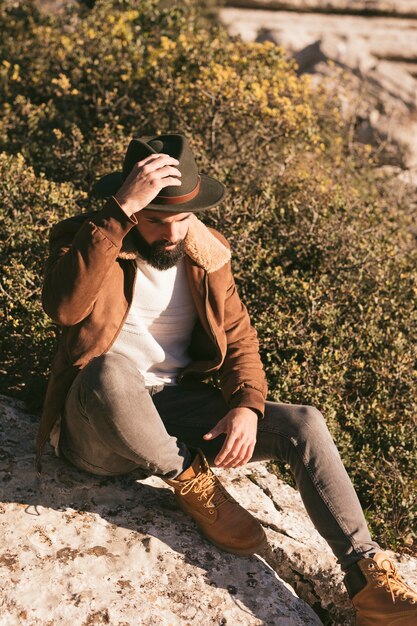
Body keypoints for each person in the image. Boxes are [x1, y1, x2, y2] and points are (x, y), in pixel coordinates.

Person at [36, 134, 417, 625]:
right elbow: (65, 309)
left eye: (182, 219)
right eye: (155, 221)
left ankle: (368, 580)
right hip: (97, 425)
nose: (171, 235)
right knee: (110, 370)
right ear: (132, 212)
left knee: (304, 424)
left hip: (173, 411)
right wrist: (118, 214)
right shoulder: (86, 239)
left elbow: (239, 338)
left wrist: (246, 405)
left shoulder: (205, 255)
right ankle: (191, 480)